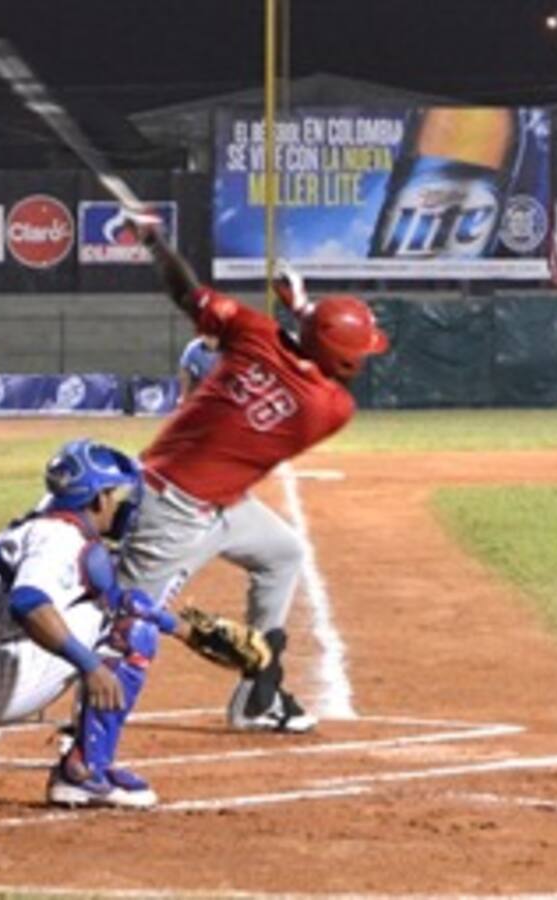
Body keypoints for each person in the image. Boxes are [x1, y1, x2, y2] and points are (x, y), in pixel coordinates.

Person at [118, 211, 389, 733]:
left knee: (282, 553)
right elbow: (311, 353)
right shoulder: (329, 409)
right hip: (175, 511)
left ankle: (258, 697)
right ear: (346, 363)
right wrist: (305, 308)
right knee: (120, 620)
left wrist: (155, 241)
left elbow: (187, 294)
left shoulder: (254, 331)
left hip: (200, 494)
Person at [0, 439, 179, 809]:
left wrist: (182, 628)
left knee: (21, 636)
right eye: (115, 495)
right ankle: (83, 773)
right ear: (98, 499)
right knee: (128, 629)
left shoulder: (31, 529)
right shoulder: (59, 539)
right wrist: (91, 665)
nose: (121, 505)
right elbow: (29, 602)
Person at [177, 334, 220, 402]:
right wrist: (185, 395)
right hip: (200, 380)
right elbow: (184, 368)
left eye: (213, 337)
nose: (211, 341)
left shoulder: (227, 348)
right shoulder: (193, 347)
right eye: (208, 337)